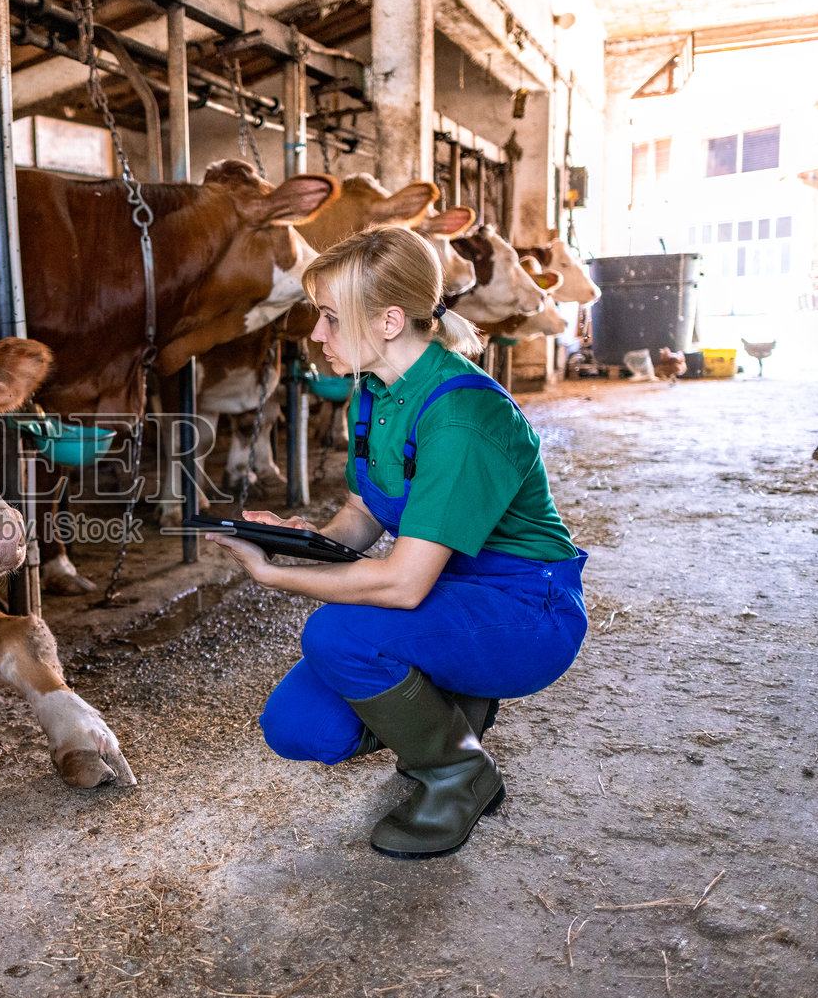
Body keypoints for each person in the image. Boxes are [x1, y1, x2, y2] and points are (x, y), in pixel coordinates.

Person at [206, 225, 587, 858]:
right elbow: (362, 516)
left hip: (525, 612)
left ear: (388, 320)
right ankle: (451, 712)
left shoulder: (463, 414)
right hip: (452, 595)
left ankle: (459, 775)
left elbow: (404, 584)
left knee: (336, 635)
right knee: (300, 727)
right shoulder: (374, 393)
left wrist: (273, 577)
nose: (316, 335)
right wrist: (300, 542)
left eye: (329, 318)